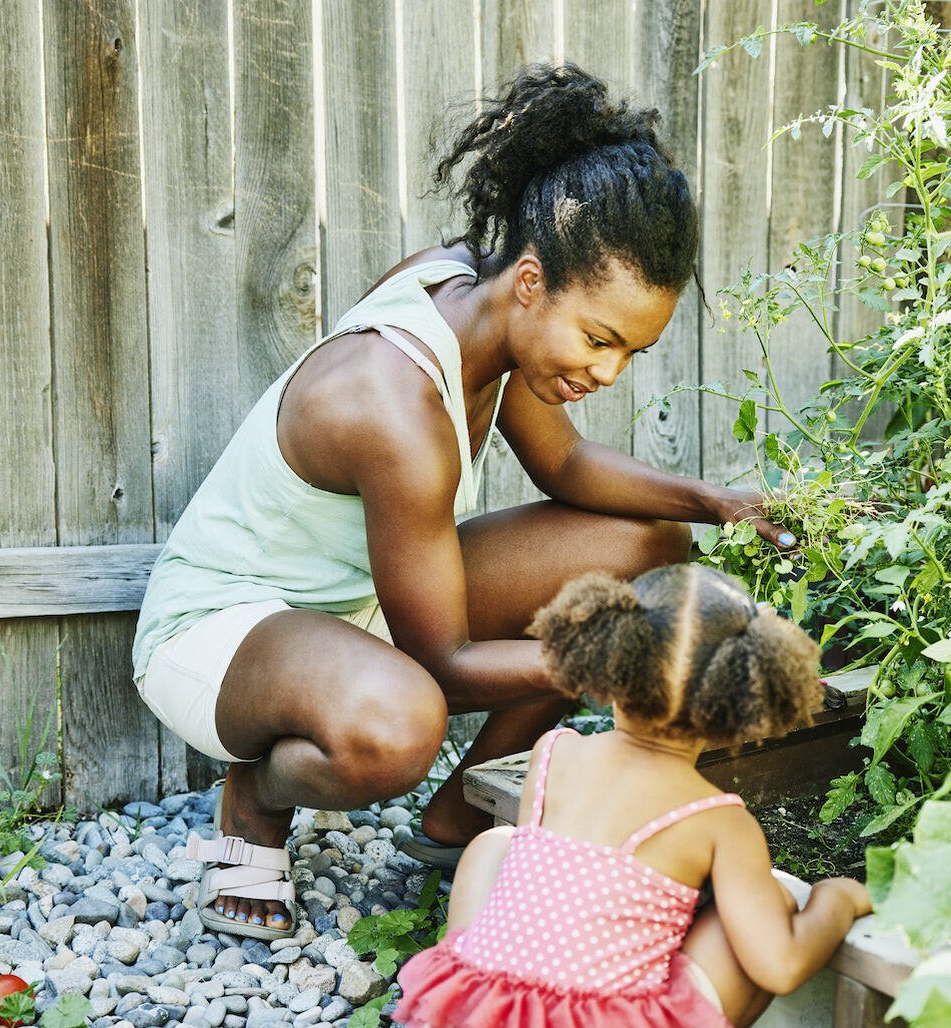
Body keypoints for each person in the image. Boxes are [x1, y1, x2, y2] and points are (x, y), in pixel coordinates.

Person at [131, 63, 794, 939]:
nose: (606, 371)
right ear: (531, 281)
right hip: (224, 627)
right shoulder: (394, 406)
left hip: (363, 596)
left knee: (644, 550)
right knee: (402, 719)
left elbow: (565, 467)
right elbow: (440, 662)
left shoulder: (479, 298)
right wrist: (632, 661)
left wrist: (718, 501)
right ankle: (255, 801)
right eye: (599, 338)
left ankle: (459, 820)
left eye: (630, 352)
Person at [394, 564, 872, 1028]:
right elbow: (780, 965)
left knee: (497, 843)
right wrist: (837, 899)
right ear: (745, 697)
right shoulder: (717, 819)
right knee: (767, 898)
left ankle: (468, 993)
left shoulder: (553, 752)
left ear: (607, 660)